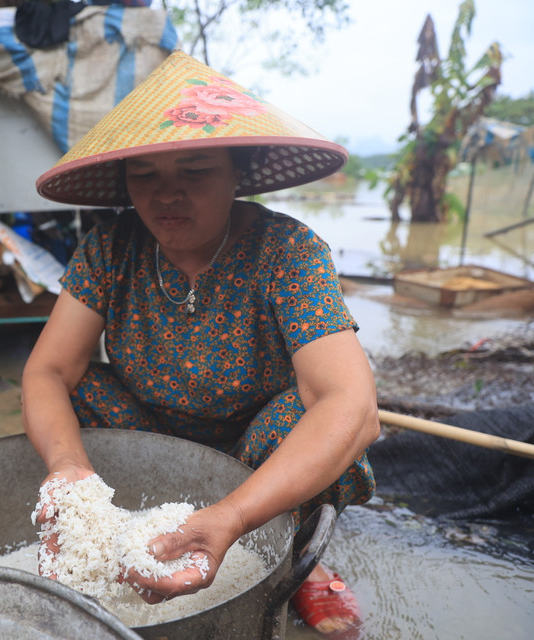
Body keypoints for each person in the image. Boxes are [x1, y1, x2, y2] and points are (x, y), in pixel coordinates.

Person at [21, 50, 379, 635]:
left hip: (255, 449)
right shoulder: (110, 248)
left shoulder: (288, 252)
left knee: (311, 411)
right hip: (149, 433)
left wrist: (232, 514)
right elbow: (47, 373)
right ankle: (115, 521)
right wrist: (67, 468)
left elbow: (353, 407)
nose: (167, 196)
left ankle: (292, 556)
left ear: (238, 172)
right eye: (146, 176)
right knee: (79, 383)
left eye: (195, 171)